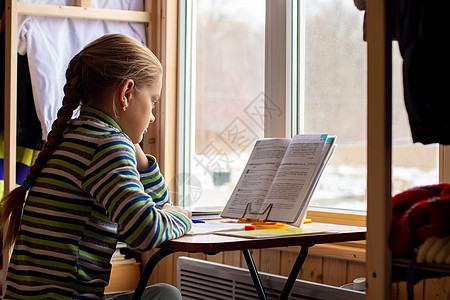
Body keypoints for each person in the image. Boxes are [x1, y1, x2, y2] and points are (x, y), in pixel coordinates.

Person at [0, 34, 192, 299]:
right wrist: (184, 217)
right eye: (153, 101)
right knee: (166, 296)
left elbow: (158, 206)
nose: (152, 116)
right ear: (126, 92)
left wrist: (139, 154)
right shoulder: (107, 146)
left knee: (162, 292)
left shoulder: (71, 136)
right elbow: (146, 231)